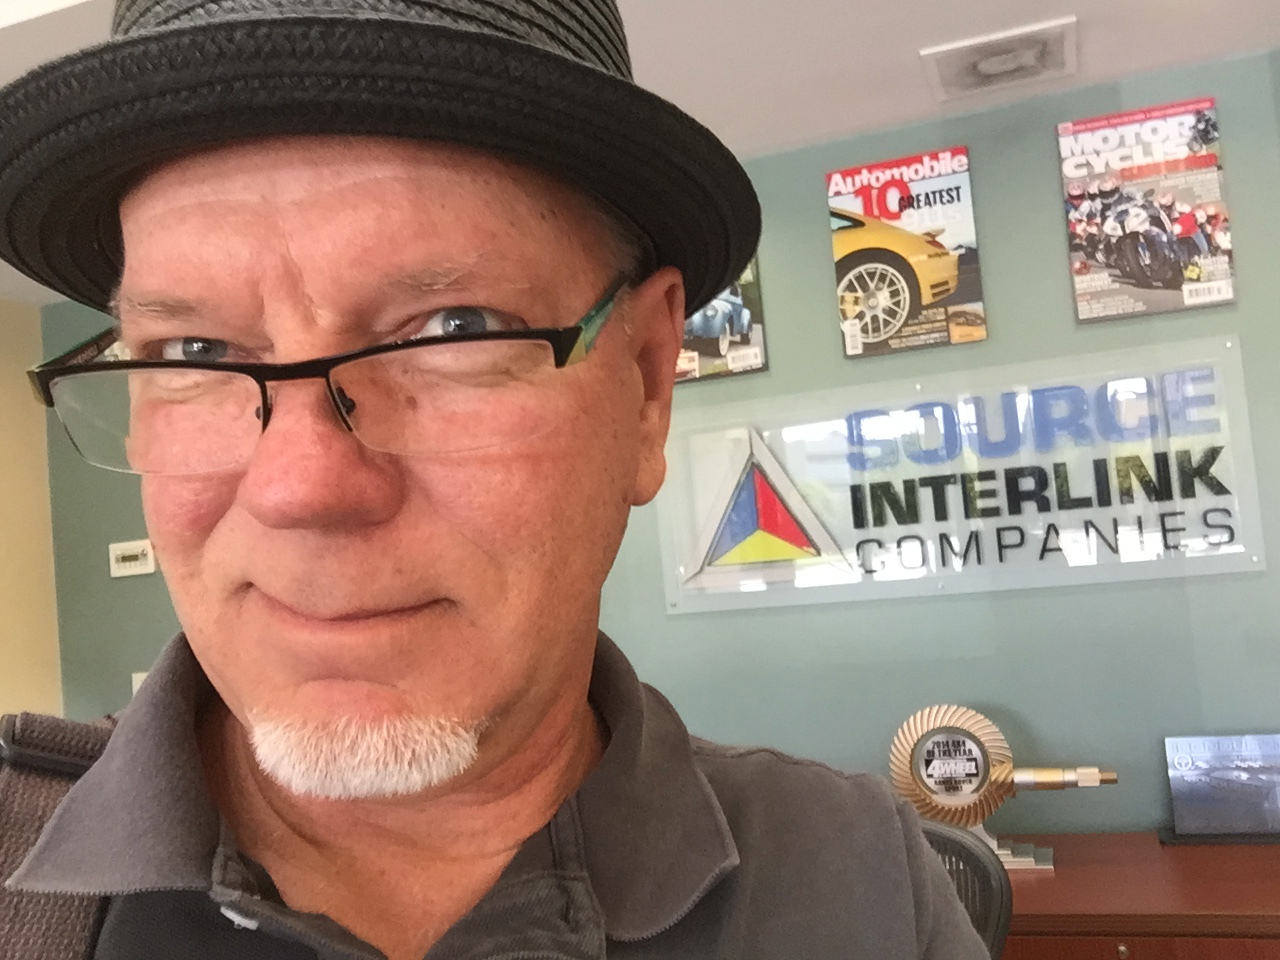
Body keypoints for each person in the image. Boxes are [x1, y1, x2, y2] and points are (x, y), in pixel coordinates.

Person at [0, 2, 990, 958]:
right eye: (197, 350)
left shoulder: (858, 886)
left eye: (453, 330)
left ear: (647, 381)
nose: (300, 487)